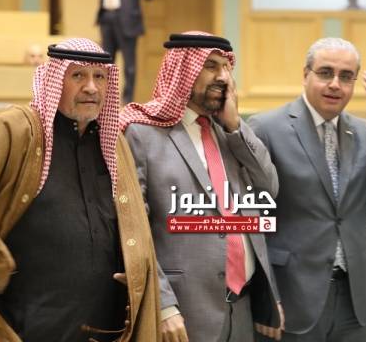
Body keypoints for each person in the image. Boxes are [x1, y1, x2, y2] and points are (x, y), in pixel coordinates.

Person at [0, 38, 161, 342]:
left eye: (99, 77)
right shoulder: (17, 130)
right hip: (27, 329)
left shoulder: (113, 144)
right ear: (54, 79)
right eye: (78, 75)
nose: (91, 87)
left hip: (104, 330)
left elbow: (134, 225)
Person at [248, 37, 366, 341]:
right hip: (292, 296)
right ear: (305, 75)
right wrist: (264, 295)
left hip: (355, 298)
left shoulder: (364, 131)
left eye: (346, 76)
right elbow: (250, 220)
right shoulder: (266, 128)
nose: (335, 84)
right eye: (325, 73)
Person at [120, 31, 283, 341]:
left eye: (226, 67)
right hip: (184, 313)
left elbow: (268, 190)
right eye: (210, 66)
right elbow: (133, 232)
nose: (223, 76)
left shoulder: (229, 132)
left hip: (243, 308)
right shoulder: (142, 134)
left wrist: (235, 126)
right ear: (184, 70)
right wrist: (164, 305)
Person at [97, 0, 155, 104]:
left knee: (129, 64)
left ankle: (127, 100)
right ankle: (107, 99)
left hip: (127, 21)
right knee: (106, 62)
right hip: (107, 18)